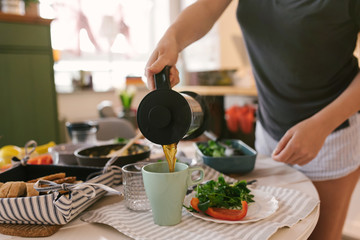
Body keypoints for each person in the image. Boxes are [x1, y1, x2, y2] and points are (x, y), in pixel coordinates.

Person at [144, 0, 360, 239]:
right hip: (269, 131)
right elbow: (206, 8)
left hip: (332, 133)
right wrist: (173, 37)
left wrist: (322, 124)